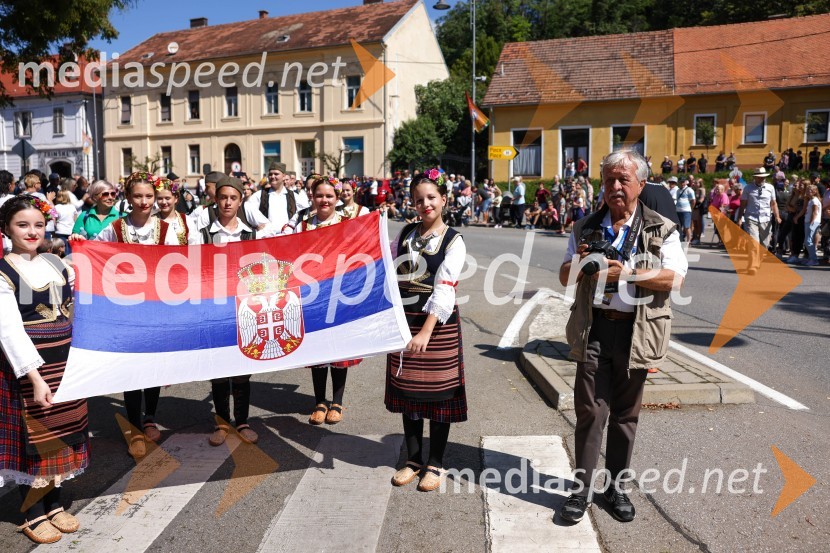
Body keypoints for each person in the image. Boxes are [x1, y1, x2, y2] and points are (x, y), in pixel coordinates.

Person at [558, 150, 687, 524]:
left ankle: (615, 489)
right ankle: (580, 491)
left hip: (636, 332)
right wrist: (581, 263)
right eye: (609, 180)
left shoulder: (662, 228)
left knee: (626, 416)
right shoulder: (585, 226)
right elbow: (564, 277)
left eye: (623, 179)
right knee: (589, 412)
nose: (615, 186)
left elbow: (674, 279)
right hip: (594, 328)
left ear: (641, 185)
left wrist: (626, 275)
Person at [0, 195, 90, 544]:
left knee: (63, 434)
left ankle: (53, 503)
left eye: (38, 224)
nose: (32, 231)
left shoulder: (57, 262)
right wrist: (34, 378)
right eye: (22, 225)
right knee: (35, 437)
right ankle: (31, 512)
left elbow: (78, 309)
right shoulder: (4, 271)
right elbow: (8, 331)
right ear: (7, 229)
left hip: (66, 362)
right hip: (30, 370)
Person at [387, 170, 467, 493]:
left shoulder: (454, 240)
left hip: (437, 325)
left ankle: (435, 462)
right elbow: (384, 266)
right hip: (405, 321)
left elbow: (445, 289)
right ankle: (413, 459)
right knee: (409, 394)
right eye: (419, 199)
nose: (425, 204)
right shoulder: (405, 234)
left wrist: (425, 332)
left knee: (439, 397)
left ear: (444, 199)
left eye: (432, 197)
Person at [92, 172, 181, 458]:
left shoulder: (166, 230)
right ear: (128, 198)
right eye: (138, 196)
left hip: (156, 306)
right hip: (126, 306)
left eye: (149, 196)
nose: (144, 201)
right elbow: (97, 253)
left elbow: (177, 267)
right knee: (131, 368)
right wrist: (81, 243)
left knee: (152, 365)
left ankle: (150, 417)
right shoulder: (116, 227)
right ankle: (132, 427)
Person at [197, 176, 276, 446]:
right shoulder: (204, 233)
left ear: (241, 200)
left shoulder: (251, 234)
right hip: (215, 308)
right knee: (219, 368)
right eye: (223, 198)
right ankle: (221, 423)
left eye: (233, 198)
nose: (227, 203)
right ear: (215, 200)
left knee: (242, 368)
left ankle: (242, 421)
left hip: (244, 309)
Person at [287, 178, 363, 425]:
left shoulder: (347, 224)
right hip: (312, 295)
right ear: (312, 197)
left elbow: (357, 255)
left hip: (339, 293)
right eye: (320, 195)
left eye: (329, 196)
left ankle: (337, 402)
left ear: (337, 198)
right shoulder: (303, 225)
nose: (324, 200)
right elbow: (292, 254)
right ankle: (319, 401)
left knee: (339, 350)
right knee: (318, 350)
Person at [736, 168, 781, 275]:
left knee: (764, 245)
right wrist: (739, 218)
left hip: (766, 218)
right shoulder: (748, 188)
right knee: (754, 243)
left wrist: (777, 216)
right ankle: (752, 265)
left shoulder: (770, 187)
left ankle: (758, 262)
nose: (762, 178)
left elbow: (773, 203)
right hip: (751, 218)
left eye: (763, 176)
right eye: (760, 177)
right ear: (755, 177)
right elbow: (743, 204)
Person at [156, 179, 199, 245]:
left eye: (167, 198)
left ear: (176, 199)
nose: (164, 202)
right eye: (160, 198)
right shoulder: (152, 221)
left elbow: (195, 246)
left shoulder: (187, 221)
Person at [801, 184, 821, 267]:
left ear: (814, 191)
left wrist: (811, 222)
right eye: (807, 190)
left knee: (808, 241)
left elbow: (815, 212)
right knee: (808, 241)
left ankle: (814, 259)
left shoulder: (814, 200)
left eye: (809, 190)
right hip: (808, 221)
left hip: (812, 222)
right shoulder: (811, 200)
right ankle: (811, 258)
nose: (807, 192)